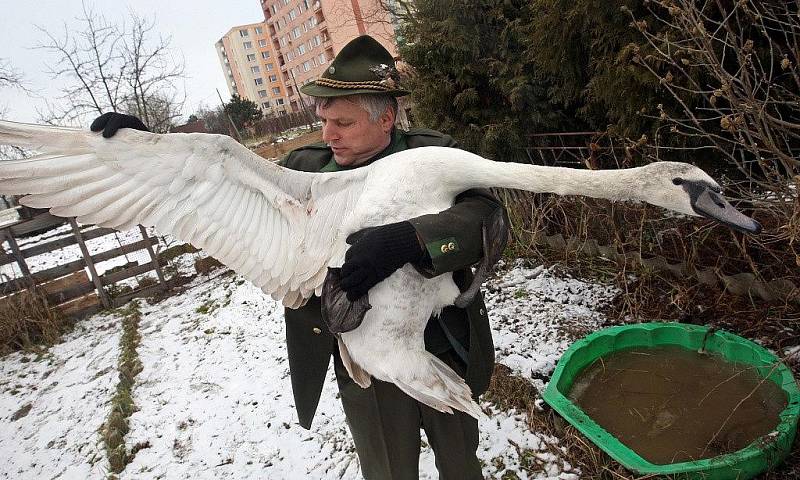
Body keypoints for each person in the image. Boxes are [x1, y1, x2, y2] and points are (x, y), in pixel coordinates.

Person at [91, 35, 506, 480]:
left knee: (462, 465)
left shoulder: (432, 154)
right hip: (360, 353)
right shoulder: (304, 171)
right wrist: (147, 149)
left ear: (386, 118)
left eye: (343, 123)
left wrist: (412, 239)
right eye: (324, 119)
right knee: (387, 471)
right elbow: (214, 182)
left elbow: (488, 218)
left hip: (441, 344)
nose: (328, 135)